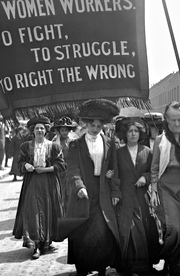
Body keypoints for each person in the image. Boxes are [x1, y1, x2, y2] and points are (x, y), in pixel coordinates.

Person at [62, 99, 121, 276]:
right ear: (87, 125)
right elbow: (72, 168)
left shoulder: (109, 143)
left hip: (103, 190)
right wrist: (79, 186)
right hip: (83, 191)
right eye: (92, 125)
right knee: (82, 230)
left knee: (103, 230)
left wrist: (114, 186)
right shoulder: (76, 145)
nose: (95, 129)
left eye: (99, 126)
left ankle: (101, 267)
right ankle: (82, 267)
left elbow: (113, 168)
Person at [149, 101, 180, 276]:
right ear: (167, 120)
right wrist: (154, 190)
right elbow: (154, 168)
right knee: (174, 228)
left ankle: (178, 267)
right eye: (173, 120)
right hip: (166, 187)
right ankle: (170, 259)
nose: (177, 124)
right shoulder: (160, 141)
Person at [12, 116, 67, 259]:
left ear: (46, 130)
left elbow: (61, 165)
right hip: (32, 181)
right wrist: (26, 166)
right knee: (33, 211)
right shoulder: (26, 146)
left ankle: (46, 242)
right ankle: (36, 244)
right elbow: (19, 163)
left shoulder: (54, 147)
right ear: (32, 130)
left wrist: (47, 169)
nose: (40, 130)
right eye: (37, 128)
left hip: (49, 182)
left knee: (48, 210)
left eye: (42, 128)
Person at [114, 117, 160, 275]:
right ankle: (127, 266)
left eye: (136, 131)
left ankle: (144, 266)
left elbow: (153, 171)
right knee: (127, 229)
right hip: (125, 197)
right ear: (125, 134)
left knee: (144, 229)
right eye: (130, 131)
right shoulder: (118, 153)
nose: (133, 134)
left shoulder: (147, 152)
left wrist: (145, 178)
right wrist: (116, 193)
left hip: (141, 197)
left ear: (140, 134)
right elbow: (114, 175)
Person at [51, 116, 76, 208]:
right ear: (59, 131)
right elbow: (53, 154)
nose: (64, 132)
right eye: (62, 130)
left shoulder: (73, 141)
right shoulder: (54, 142)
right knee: (61, 192)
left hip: (71, 168)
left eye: (66, 130)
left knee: (71, 192)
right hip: (60, 170)